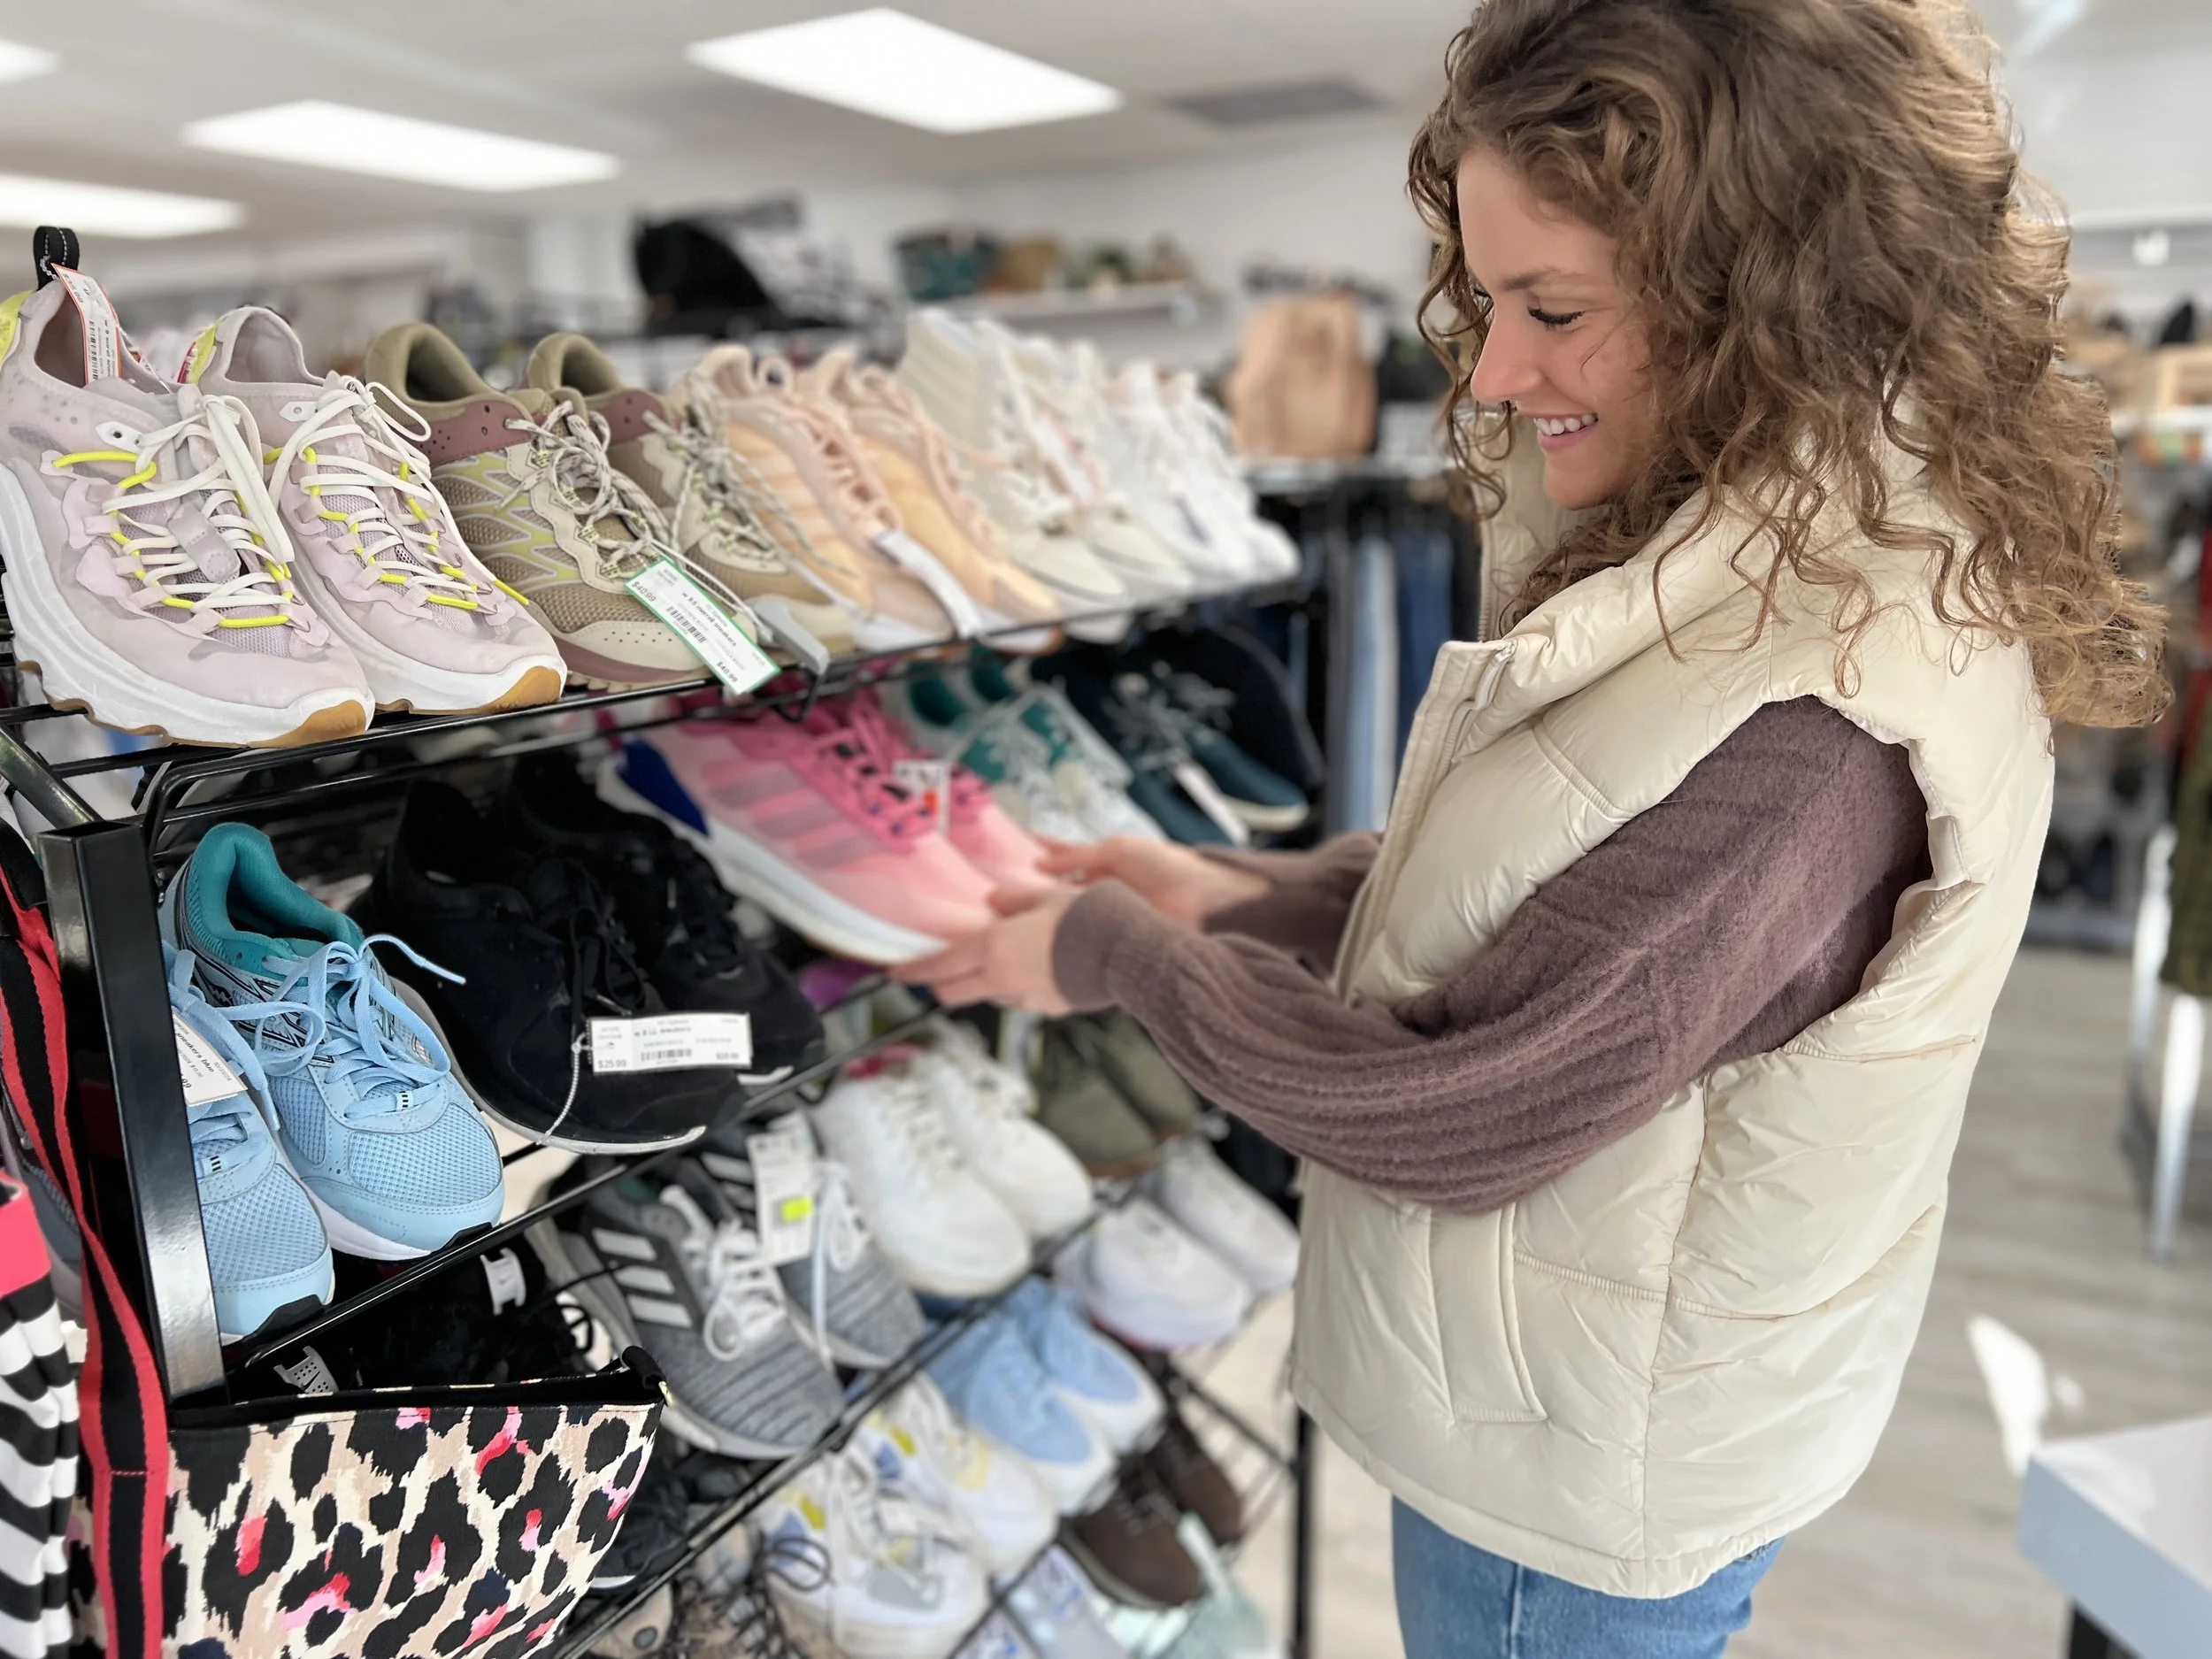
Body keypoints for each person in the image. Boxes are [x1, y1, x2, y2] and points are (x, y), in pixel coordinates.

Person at [895, 0, 2165, 1653]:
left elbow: (1461, 1109)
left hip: (1573, 1479)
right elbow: (1580, 917)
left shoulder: (1811, 708)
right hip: (1603, 1388)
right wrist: (1248, 891)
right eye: (1491, 301)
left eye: (1551, 306)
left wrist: (1114, 953)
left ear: (1764, 286)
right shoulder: (1788, 554)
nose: (1494, 370)